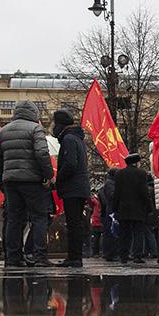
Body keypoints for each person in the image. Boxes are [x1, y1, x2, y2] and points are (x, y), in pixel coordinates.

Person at [0, 100, 54, 268]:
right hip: (31, 180)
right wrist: (48, 175)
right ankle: (39, 256)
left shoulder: (4, 131)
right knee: (39, 218)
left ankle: (13, 258)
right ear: (33, 113)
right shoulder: (35, 128)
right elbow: (41, 153)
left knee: (13, 219)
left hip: (10, 180)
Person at [52, 109, 89, 267]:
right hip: (80, 187)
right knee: (76, 223)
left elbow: (70, 164)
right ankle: (75, 256)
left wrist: (57, 179)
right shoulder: (77, 139)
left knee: (73, 224)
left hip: (72, 188)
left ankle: (74, 258)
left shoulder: (68, 139)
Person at [113, 153, 152, 263]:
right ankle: (137, 255)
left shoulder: (119, 174)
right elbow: (144, 192)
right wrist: (149, 207)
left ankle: (123, 255)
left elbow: (117, 193)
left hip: (123, 208)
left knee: (124, 233)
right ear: (136, 163)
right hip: (138, 208)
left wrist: (114, 208)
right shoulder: (141, 173)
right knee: (138, 232)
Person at [87, 190, 103, 257]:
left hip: (98, 220)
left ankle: (96, 252)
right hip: (97, 220)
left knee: (97, 237)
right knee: (96, 237)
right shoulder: (95, 201)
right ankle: (96, 252)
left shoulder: (96, 201)